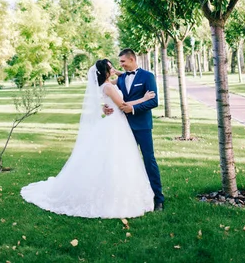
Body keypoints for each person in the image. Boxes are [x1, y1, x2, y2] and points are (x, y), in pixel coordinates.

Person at [20, 59, 155, 218]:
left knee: (117, 159)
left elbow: (120, 78)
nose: (114, 69)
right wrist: (144, 99)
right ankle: (111, 195)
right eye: (110, 68)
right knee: (114, 159)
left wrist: (114, 76)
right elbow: (123, 105)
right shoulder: (108, 87)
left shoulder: (107, 85)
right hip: (116, 125)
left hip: (117, 124)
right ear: (105, 71)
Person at [105, 48, 165, 211]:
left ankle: (158, 198)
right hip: (123, 126)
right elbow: (108, 94)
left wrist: (133, 109)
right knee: (125, 162)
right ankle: (129, 196)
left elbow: (153, 102)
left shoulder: (147, 76)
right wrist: (105, 107)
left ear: (132, 59)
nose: (121, 65)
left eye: (123, 61)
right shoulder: (122, 78)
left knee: (149, 160)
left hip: (142, 126)